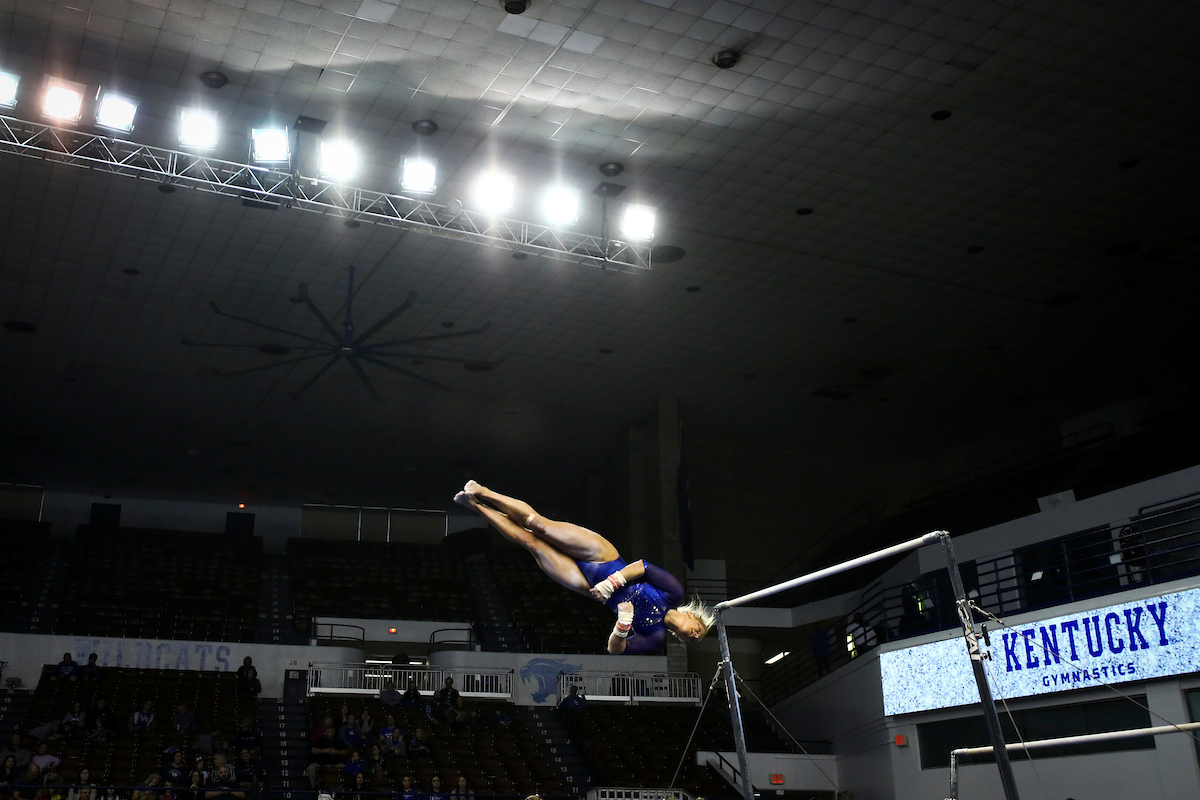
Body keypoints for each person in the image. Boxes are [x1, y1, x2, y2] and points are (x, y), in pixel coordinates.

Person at [454, 481, 713, 654]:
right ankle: (483, 491)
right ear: (693, 617)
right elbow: (642, 567)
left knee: (530, 542)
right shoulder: (674, 593)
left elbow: (616, 650)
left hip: (586, 584)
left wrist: (622, 626)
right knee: (539, 525)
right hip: (604, 558)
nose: (693, 635)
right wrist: (612, 582)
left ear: (680, 639)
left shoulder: (655, 634)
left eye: (693, 639)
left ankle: (474, 506)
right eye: (698, 631)